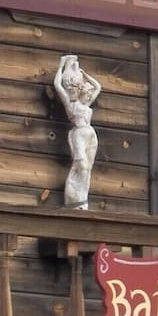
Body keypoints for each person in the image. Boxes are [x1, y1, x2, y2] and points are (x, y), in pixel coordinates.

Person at [53, 55, 101, 209]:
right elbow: (57, 85)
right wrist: (61, 65)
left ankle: (82, 200)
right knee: (81, 165)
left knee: (87, 170)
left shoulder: (86, 104)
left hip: (90, 135)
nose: (89, 95)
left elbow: (98, 87)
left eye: (78, 87)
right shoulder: (71, 105)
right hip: (78, 134)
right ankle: (73, 200)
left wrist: (86, 75)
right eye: (87, 93)